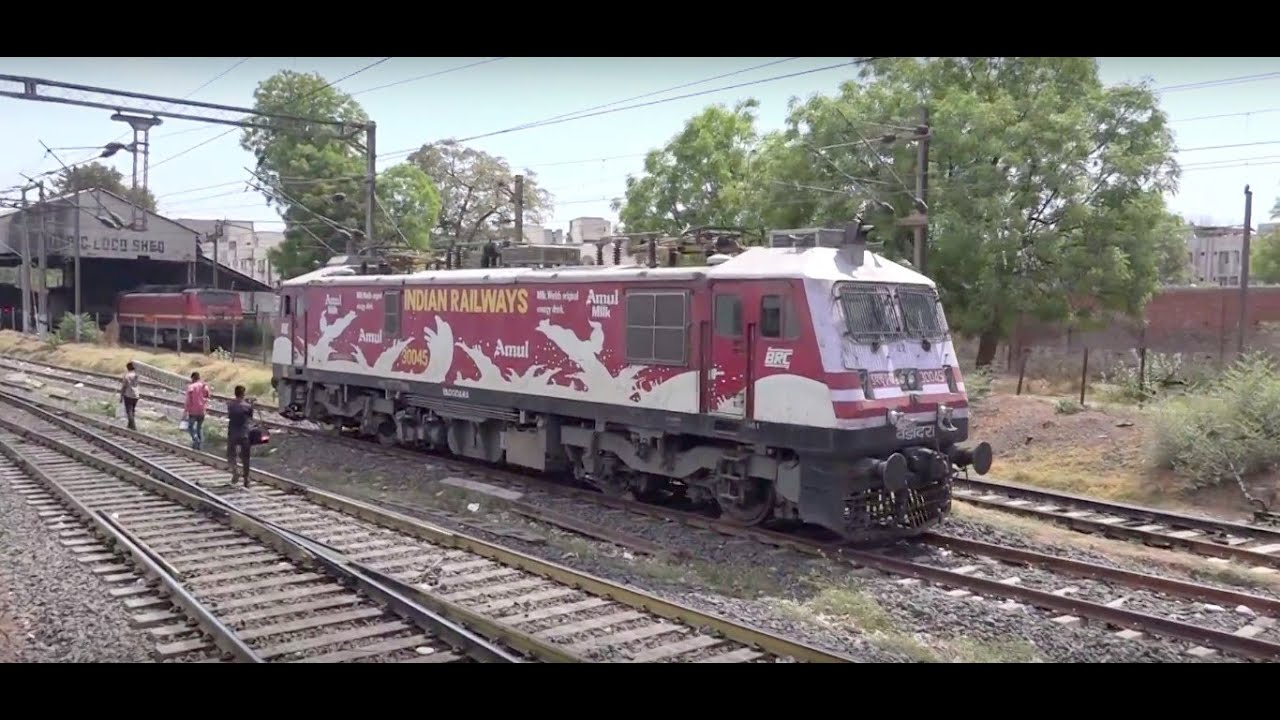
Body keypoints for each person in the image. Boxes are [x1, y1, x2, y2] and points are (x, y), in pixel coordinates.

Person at [226, 385, 255, 486]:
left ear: (235, 393)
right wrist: (250, 404)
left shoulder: (230, 405)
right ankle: (246, 479)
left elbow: (230, 415)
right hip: (244, 434)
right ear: (244, 394)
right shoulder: (248, 406)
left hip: (233, 433)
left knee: (231, 455)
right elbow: (251, 417)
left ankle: (235, 472)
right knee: (245, 457)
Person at [184, 371, 211, 450]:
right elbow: (208, 396)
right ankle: (200, 444)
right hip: (202, 410)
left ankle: (196, 440)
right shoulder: (204, 386)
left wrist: (186, 411)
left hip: (193, 411)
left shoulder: (191, 387)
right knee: (199, 427)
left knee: (190, 427)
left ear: (192, 378)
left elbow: (188, 400)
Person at [120, 362, 140, 430]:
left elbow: (124, 387)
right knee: (132, 410)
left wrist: (121, 396)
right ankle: (129, 426)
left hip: (128, 394)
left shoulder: (127, 376)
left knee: (129, 411)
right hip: (136, 395)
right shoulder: (136, 375)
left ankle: (133, 427)